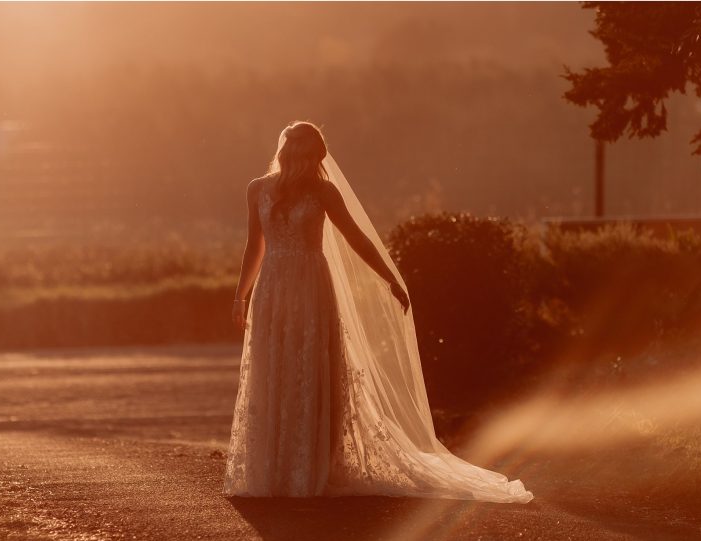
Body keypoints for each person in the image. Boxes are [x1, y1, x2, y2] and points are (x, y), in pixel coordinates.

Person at [222, 121, 533, 503]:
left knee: (309, 371)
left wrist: (390, 277)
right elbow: (255, 246)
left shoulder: (323, 192)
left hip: (310, 287)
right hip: (272, 288)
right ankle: (274, 471)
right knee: (275, 371)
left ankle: (307, 469)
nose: (308, 159)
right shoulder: (258, 189)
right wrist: (242, 296)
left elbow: (356, 237)